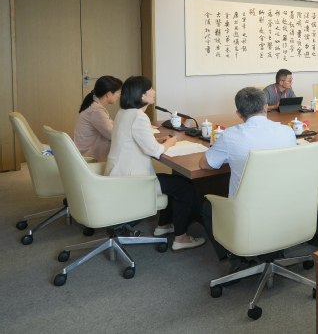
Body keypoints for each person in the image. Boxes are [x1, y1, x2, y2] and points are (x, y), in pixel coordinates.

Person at [105, 76, 204, 251]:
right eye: (150, 89)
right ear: (142, 96)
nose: (154, 92)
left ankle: (164, 225)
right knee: (185, 186)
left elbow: (131, 138)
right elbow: (155, 151)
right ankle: (181, 238)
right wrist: (169, 142)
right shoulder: (139, 117)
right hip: (133, 181)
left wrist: (156, 139)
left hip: (119, 175)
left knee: (172, 183)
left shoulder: (123, 113)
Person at [199, 87, 297, 261]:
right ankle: (273, 247)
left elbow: (205, 164)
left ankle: (235, 257)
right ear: (266, 107)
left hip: (247, 210)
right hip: (286, 204)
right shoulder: (287, 131)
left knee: (207, 207)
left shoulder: (230, 136)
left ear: (238, 113)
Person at [73, 75, 122, 162]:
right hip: (88, 157)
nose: (119, 96)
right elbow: (114, 134)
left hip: (83, 152)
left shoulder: (94, 105)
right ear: (108, 94)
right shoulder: (96, 110)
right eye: (118, 92)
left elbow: (112, 126)